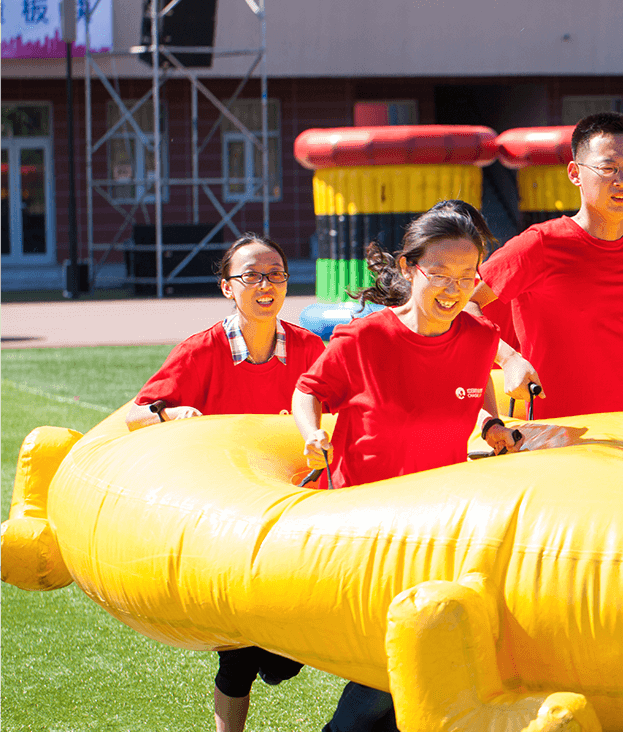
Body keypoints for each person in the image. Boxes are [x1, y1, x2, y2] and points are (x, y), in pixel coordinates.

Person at [292, 200, 522, 732]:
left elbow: (472, 394)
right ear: (408, 267)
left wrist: (491, 425)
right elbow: (309, 390)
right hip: (366, 532)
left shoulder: (478, 339)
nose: (453, 288)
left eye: (466, 276)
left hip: (438, 530)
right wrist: (311, 434)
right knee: (388, 679)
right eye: (439, 273)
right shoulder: (365, 339)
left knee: (423, 671)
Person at [127, 233, 326, 732]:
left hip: (297, 512)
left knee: (284, 654)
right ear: (227, 287)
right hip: (228, 521)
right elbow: (136, 414)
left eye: (275, 274)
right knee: (238, 655)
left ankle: (277, 657)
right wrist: (172, 414)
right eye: (251, 275)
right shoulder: (201, 350)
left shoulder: (309, 348)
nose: (265, 285)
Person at [466, 111, 623, 420]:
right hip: (565, 431)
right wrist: (510, 359)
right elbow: (466, 303)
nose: (622, 181)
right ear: (575, 173)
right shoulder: (540, 244)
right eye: (608, 168)